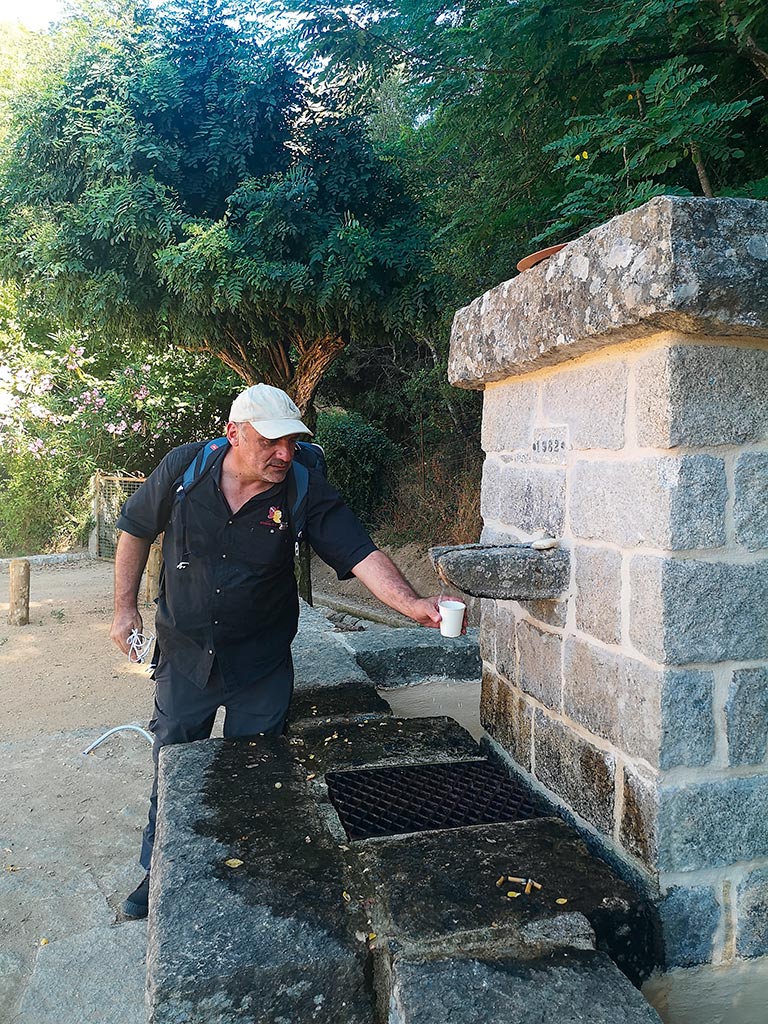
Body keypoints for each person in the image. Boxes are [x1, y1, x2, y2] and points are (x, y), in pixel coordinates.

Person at [110, 383, 451, 919]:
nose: (284, 454)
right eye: (271, 442)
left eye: (292, 441)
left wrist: (410, 603)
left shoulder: (303, 487)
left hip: (260, 664)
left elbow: (359, 551)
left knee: (257, 776)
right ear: (233, 433)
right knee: (173, 766)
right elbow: (134, 530)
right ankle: (159, 874)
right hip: (186, 655)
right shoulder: (184, 470)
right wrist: (124, 609)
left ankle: (245, 873)